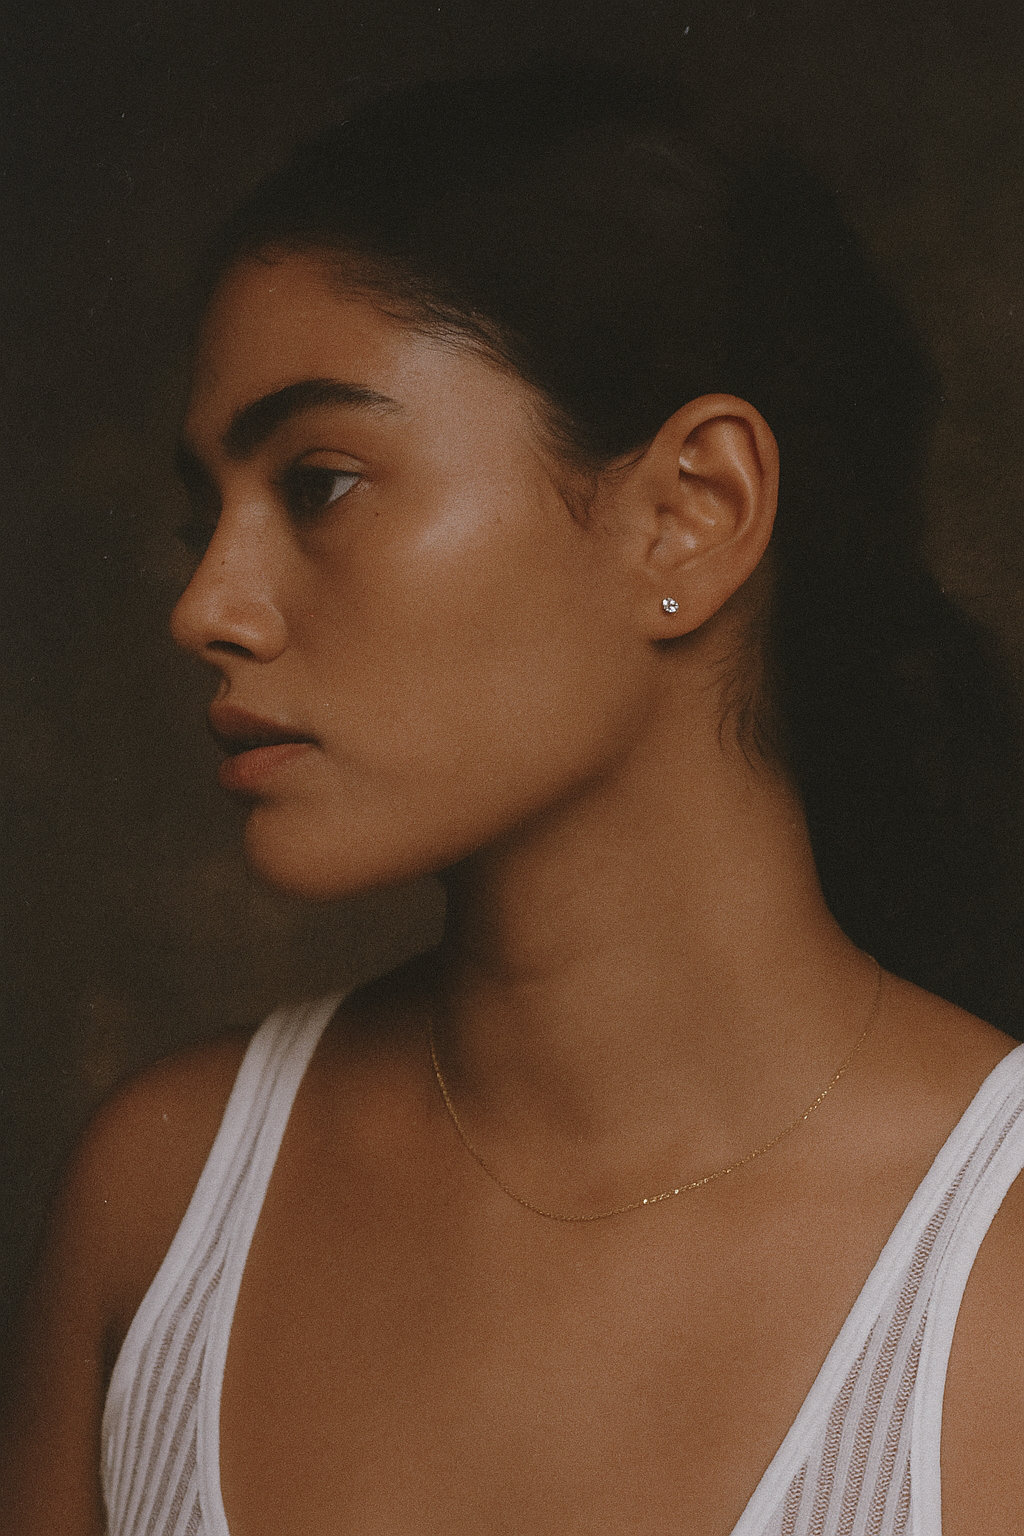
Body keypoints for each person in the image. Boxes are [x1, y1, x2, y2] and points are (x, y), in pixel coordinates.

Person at [2, 67, 1023, 1536]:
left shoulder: (1001, 1272)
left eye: (323, 483)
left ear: (693, 510)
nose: (207, 606)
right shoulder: (158, 1211)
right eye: (202, 515)